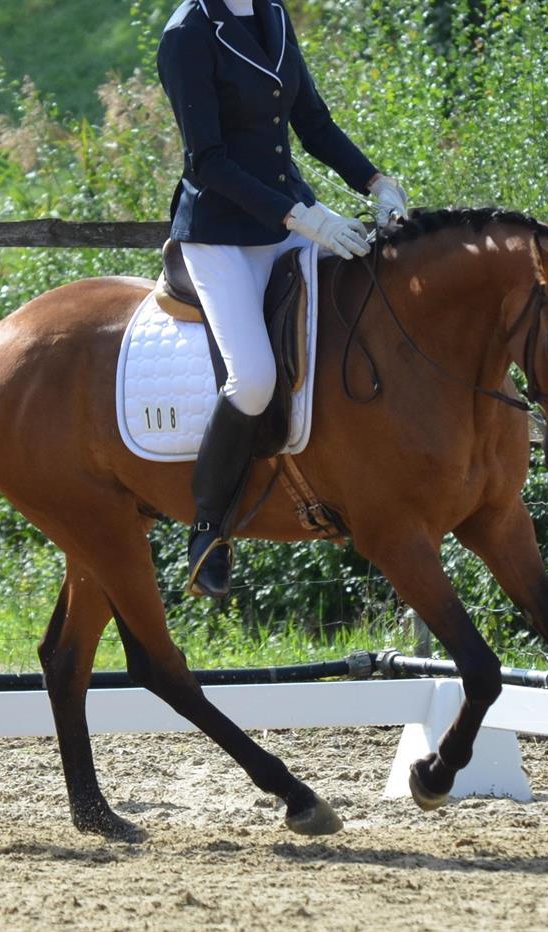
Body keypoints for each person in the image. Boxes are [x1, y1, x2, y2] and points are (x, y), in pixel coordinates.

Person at [157, 0, 408, 598]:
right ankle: (209, 530)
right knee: (253, 381)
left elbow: (312, 121)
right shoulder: (188, 34)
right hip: (222, 236)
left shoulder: (271, 14)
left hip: (289, 221)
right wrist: (302, 217)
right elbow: (207, 161)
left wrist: (376, 181)